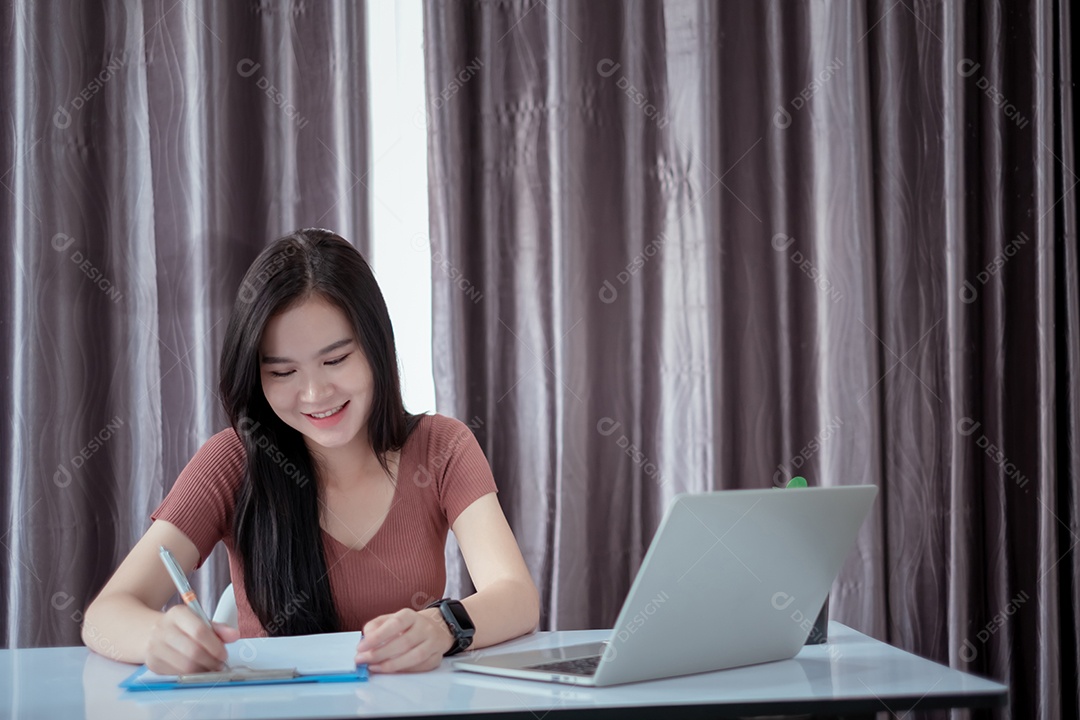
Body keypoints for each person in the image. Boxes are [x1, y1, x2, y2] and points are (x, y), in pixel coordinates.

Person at [83, 229, 539, 674]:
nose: (315, 393)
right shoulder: (233, 461)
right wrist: (158, 637)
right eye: (283, 373)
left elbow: (515, 595)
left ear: (376, 347)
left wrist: (442, 627)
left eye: (336, 360)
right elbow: (105, 616)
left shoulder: (443, 447)